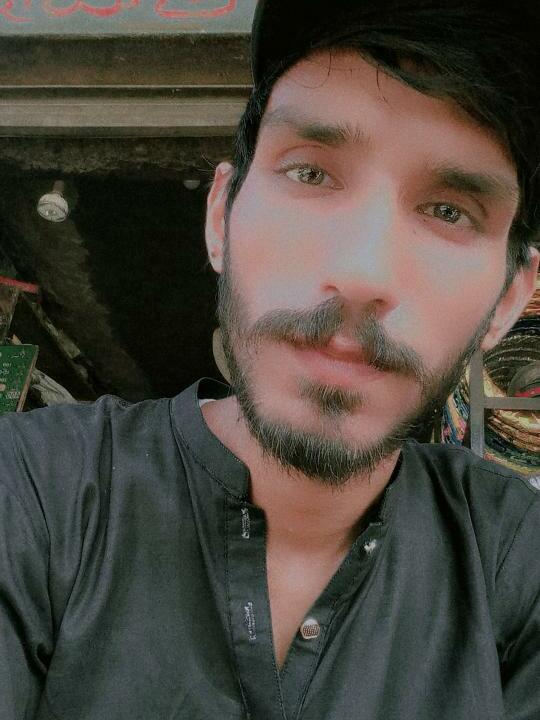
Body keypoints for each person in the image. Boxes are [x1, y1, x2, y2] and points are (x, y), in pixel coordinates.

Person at [1, 1, 539, 718]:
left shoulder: (514, 557)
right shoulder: (33, 490)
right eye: (311, 173)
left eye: (450, 211)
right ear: (220, 217)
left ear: (509, 301)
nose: (362, 273)